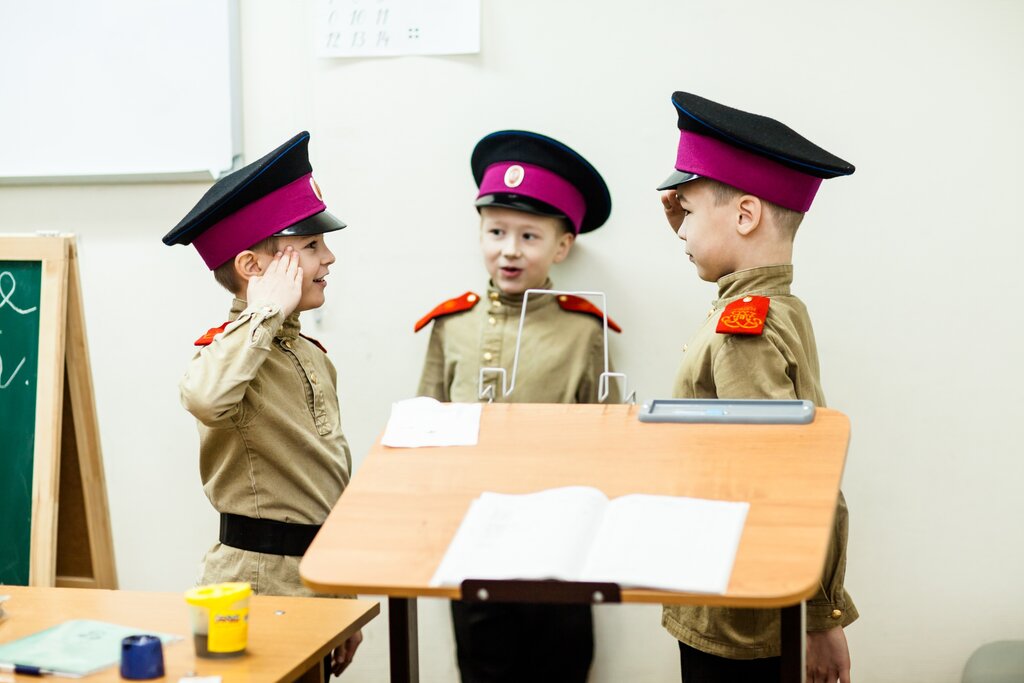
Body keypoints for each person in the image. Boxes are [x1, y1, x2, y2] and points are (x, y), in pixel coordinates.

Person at [656, 92, 857, 683]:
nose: (680, 229)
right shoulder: (775, 309)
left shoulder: (743, 330)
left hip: (736, 613)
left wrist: (820, 616)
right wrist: (694, 222)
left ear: (745, 216)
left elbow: (792, 479)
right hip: (741, 601)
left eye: (689, 211)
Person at [415, 130, 620, 682]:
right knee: (482, 665)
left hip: (560, 539)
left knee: (564, 664)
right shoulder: (451, 323)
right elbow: (425, 422)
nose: (509, 249)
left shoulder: (583, 329)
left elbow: (608, 438)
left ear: (562, 246)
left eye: (529, 236)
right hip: (473, 537)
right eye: (496, 231)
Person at [162, 131, 361, 677]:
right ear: (253, 267)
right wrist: (263, 313)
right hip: (256, 583)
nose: (329, 256)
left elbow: (325, 485)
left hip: (315, 577)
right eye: (311, 245)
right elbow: (204, 396)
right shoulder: (231, 353)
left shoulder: (310, 354)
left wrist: (341, 596)